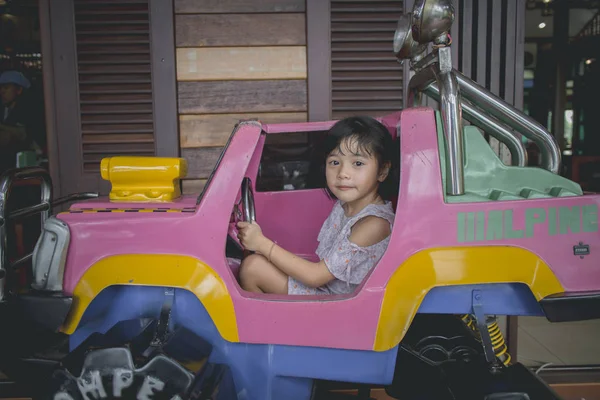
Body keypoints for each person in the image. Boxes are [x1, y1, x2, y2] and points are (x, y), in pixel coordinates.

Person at [236, 116, 398, 295]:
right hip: (328, 290)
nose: (343, 173)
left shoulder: (374, 224)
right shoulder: (345, 205)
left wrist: (262, 244)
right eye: (335, 162)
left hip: (341, 306)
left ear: (382, 171)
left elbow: (316, 276)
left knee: (253, 269)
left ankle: (270, 323)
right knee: (257, 262)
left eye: (358, 163)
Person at [0, 70, 42, 173]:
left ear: (19, 90)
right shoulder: (2, 109)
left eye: (6, 88)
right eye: (0, 88)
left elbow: (23, 134)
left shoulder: (28, 110)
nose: (2, 92)